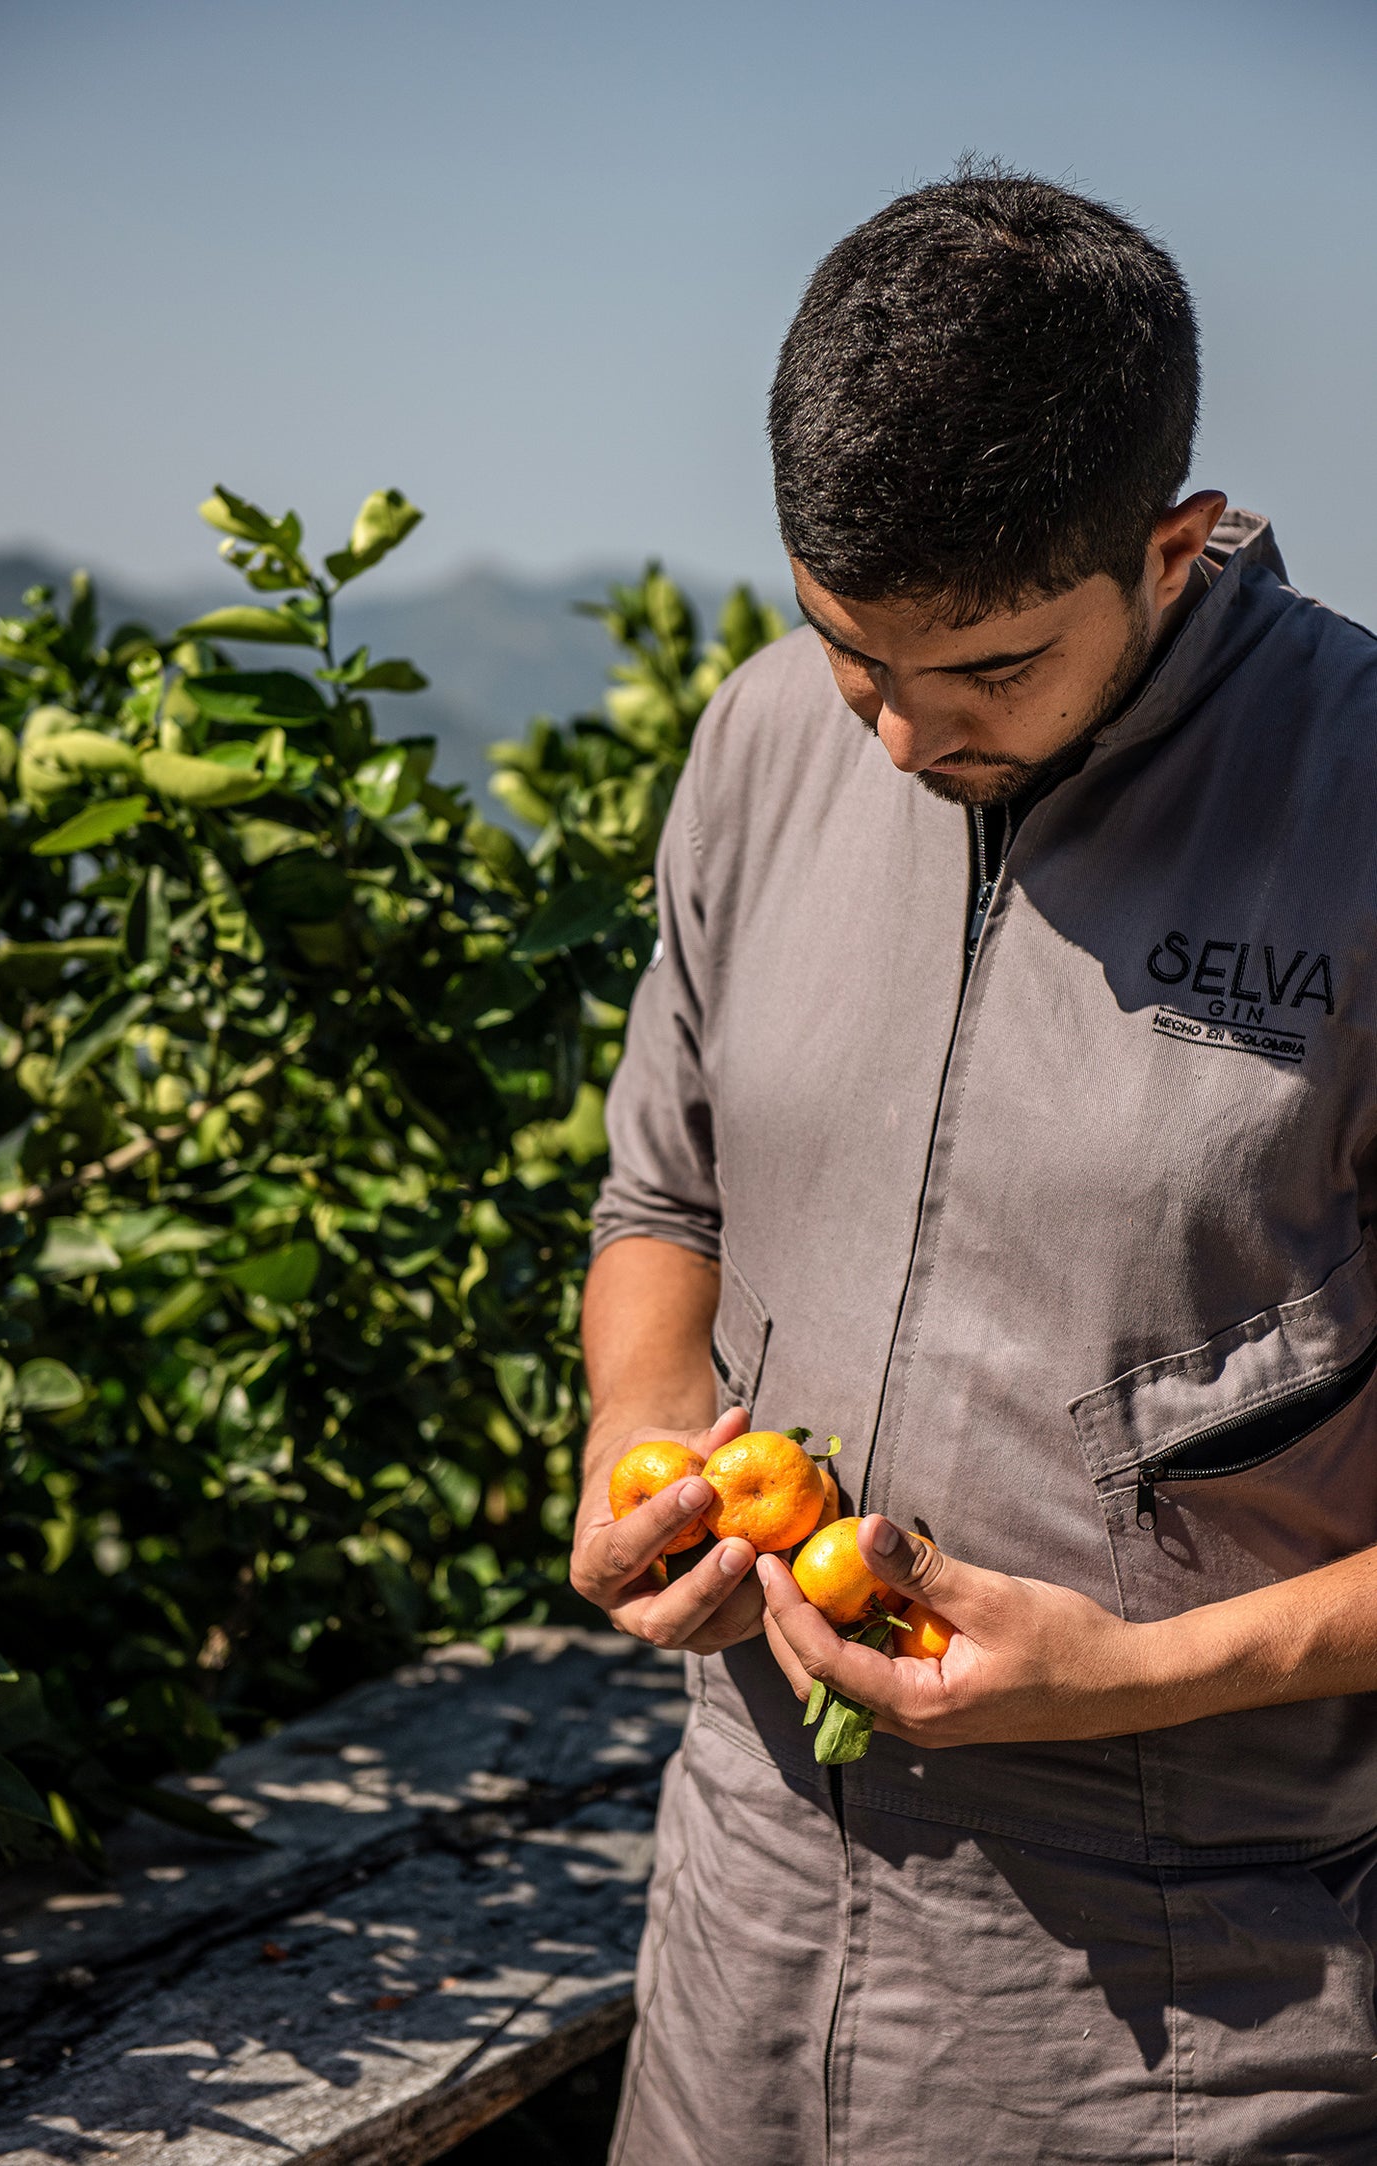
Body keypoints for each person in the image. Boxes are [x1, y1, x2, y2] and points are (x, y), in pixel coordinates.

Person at [571, 162, 1377, 2163]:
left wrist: (1144, 1671)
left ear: (1173, 548)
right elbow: (665, 1198)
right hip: (740, 1951)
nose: (901, 742)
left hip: (1188, 2015)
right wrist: (641, 1436)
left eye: (991, 672)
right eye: (850, 649)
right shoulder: (763, 740)